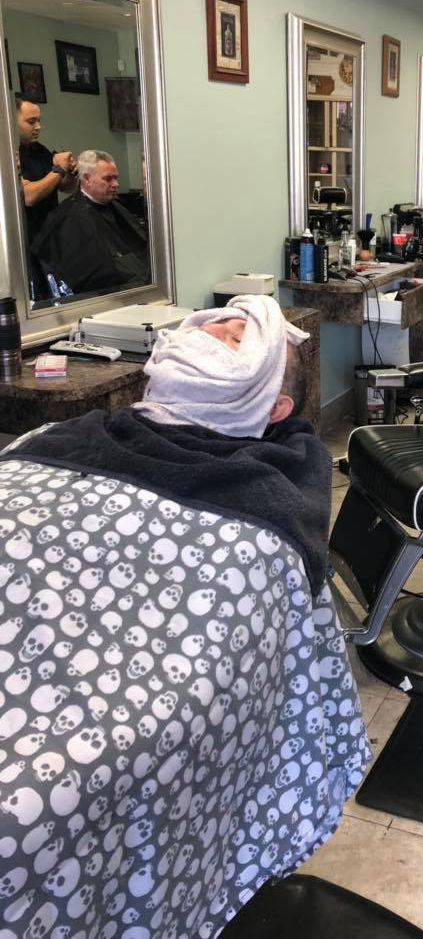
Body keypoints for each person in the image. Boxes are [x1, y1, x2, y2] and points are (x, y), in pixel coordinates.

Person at [0, 295, 371, 938]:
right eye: (219, 324)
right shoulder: (64, 438)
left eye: (238, 340)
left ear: (275, 409)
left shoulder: (266, 503)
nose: (221, 328)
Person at [32, 148, 148, 295]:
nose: (116, 184)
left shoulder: (117, 208)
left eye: (116, 178)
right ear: (86, 179)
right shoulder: (67, 217)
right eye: (108, 179)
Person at [16, 94, 78, 245]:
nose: (38, 127)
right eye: (31, 121)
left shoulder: (40, 150)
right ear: (11, 121)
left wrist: (70, 171)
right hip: (23, 239)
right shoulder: (7, 155)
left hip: (48, 236)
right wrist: (59, 169)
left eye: (39, 120)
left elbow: (65, 187)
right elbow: (28, 197)